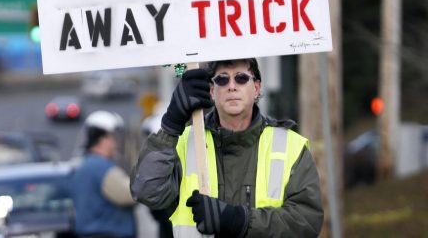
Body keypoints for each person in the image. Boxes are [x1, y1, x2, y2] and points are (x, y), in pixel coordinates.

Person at [131, 58, 323, 237]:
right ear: (212, 90)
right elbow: (146, 191)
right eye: (222, 80)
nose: (232, 86)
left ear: (256, 88)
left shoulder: (291, 146)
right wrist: (170, 125)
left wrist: (239, 220)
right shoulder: (183, 141)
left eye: (241, 78)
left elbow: (306, 221)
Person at [72, 110, 136, 238]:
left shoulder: (82, 167)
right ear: (102, 140)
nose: (115, 144)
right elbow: (131, 193)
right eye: (112, 138)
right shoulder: (102, 168)